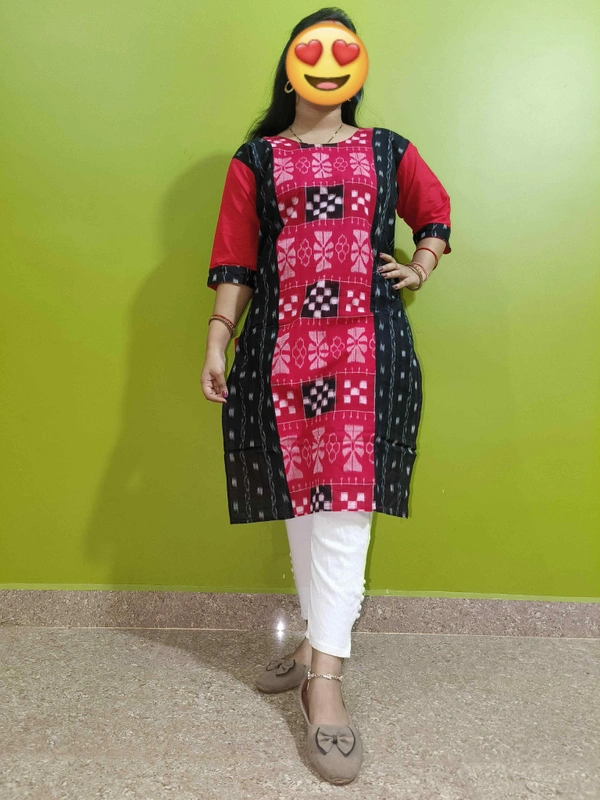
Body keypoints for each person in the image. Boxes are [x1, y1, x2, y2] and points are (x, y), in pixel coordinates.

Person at [200, 7, 452, 785]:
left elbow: (434, 212)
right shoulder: (256, 160)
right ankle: (318, 639)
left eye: (345, 51)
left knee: (344, 509)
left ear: (358, 67)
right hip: (280, 353)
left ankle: (325, 682)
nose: (328, 63)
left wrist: (421, 263)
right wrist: (217, 337)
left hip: (366, 351)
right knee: (302, 504)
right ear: (290, 66)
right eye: (313, 50)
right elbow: (235, 259)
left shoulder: (388, 151)